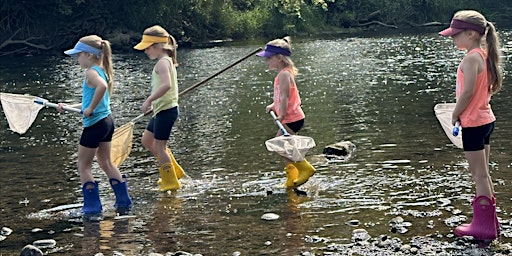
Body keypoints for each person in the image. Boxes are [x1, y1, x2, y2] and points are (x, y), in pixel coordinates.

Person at [439, 10, 502, 241]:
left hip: (474, 124)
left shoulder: (470, 59)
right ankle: (491, 223)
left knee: (478, 175)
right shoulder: (483, 55)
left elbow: (466, 94)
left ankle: (483, 227)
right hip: (486, 120)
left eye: (456, 35)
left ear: (471, 34)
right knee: (484, 174)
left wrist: (455, 114)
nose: (452, 39)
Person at [60, 35, 132, 216]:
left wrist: (90, 108)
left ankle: (92, 207)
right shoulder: (102, 70)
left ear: (89, 55)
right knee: (105, 162)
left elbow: (100, 89)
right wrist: (68, 106)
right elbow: (89, 101)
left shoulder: (92, 73)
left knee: (83, 165)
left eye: (78, 55)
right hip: (106, 122)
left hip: (94, 125)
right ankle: (123, 201)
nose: (77, 59)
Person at [257, 36, 316, 188]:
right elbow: (281, 97)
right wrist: (273, 106)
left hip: (292, 118)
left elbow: (285, 97)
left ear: (279, 58)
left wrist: (281, 115)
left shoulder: (284, 74)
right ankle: (292, 178)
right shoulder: (284, 73)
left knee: (280, 145)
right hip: (292, 117)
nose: (267, 61)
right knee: (284, 147)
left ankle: (304, 168)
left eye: (269, 58)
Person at [133, 25, 185, 191]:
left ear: (158, 46)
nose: (145, 51)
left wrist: (149, 100)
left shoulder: (163, 63)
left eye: (147, 48)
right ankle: (174, 171)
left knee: (160, 147)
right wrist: (154, 104)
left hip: (166, 111)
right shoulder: (165, 61)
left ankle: (170, 181)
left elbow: (167, 85)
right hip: (161, 110)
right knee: (147, 141)